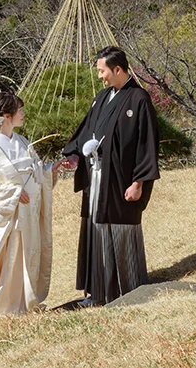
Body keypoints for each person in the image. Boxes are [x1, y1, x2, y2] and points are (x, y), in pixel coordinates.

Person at [59, 45, 160, 305]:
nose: (100, 76)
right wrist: (74, 155)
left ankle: (127, 290)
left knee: (120, 229)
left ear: (117, 69)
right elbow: (86, 131)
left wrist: (138, 182)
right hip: (97, 177)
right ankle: (99, 292)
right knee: (96, 229)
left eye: (102, 71)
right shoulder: (102, 97)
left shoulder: (139, 99)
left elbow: (147, 144)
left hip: (121, 180)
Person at [0, 93, 56, 321]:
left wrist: (51, 170)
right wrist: (13, 193)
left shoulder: (22, 141)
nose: (23, 113)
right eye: (19, 110)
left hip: (28, 213)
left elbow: (35, 170)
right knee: (11, 258)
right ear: (6, 116)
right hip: (11, 215)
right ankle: (7, 306)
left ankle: (26, 301)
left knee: (27, 254)